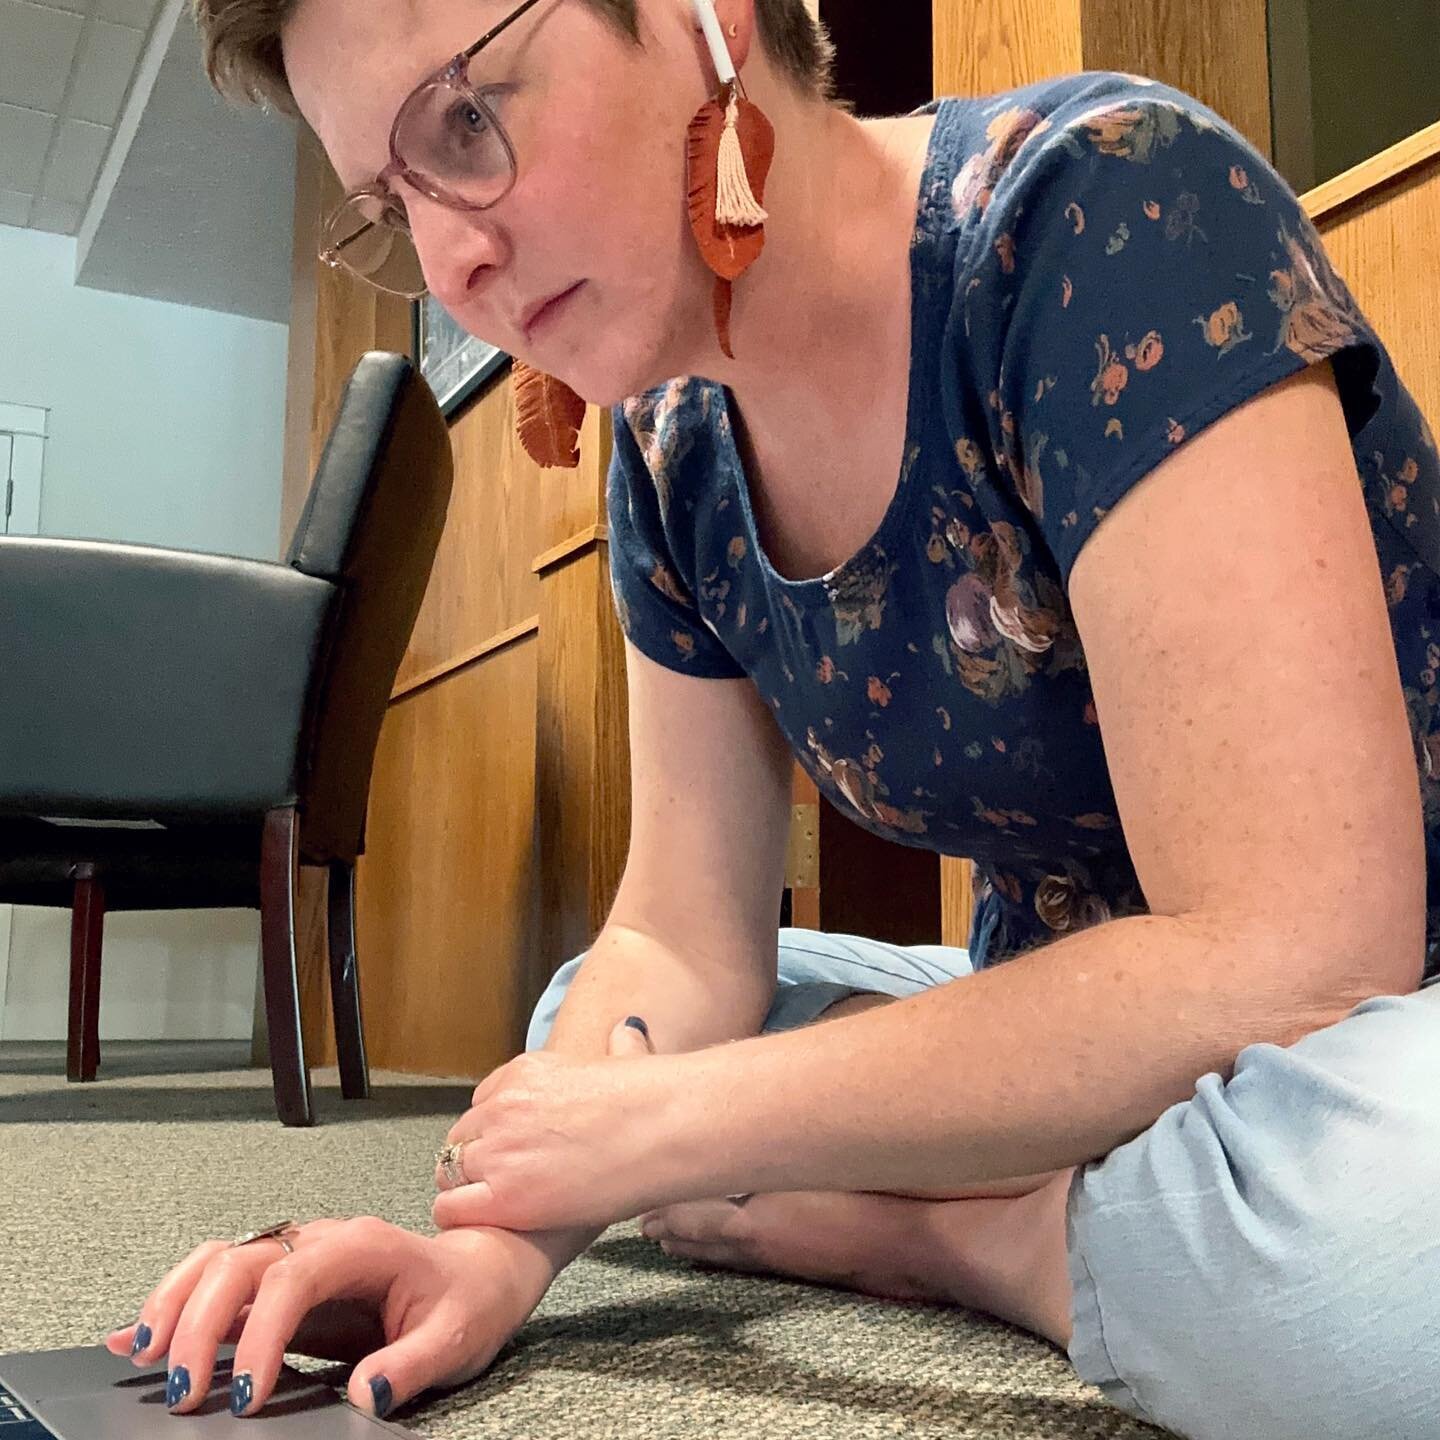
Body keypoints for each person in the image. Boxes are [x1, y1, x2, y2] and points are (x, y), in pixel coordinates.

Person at [104, 0, 1440, 1434]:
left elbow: (1297, 961)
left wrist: (676, 1133)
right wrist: (485, 1251)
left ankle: (968, 1234)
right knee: (590, 1016)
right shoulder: (669, 446)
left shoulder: (1107, 205)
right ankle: (1066, 1198)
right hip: (1090, 1012)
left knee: (1395, 1254)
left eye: (467, 122)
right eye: (391, 204)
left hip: (1370, 1034)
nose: (451, 262)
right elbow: (684, 935)